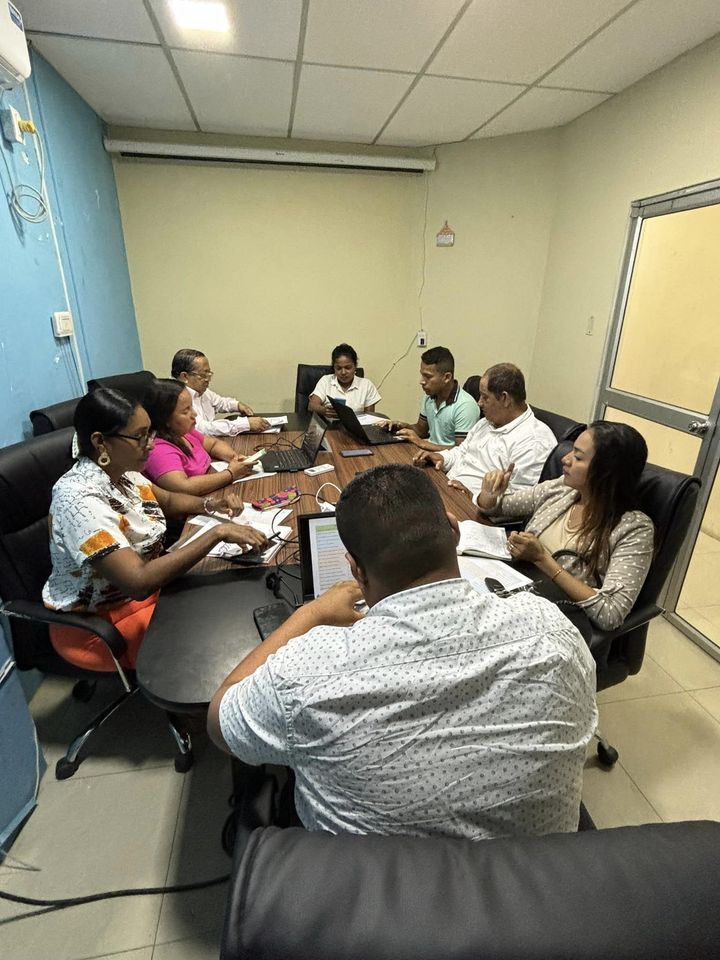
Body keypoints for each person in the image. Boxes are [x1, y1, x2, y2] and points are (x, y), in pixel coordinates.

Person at [208, 464, 597, 841]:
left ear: (356, 570)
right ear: (453, 532)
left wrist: (310, 614)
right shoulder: (555, 631)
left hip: (374, 884)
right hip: (537, 877)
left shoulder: (307, 670)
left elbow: (218, 722)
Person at [43, 388, 267, 672]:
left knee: (238, 600)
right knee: (223, 641)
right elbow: (138, 583)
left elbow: (169, 500)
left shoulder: (123, 472)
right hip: (102, 621)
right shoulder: (78, 500)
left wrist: (213, 505)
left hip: (153, 590)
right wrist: (217, 533)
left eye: (150, 433)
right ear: (101, 442)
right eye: (140, 436)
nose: (151, 444)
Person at [478, 421, 654, 631]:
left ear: (606, 471)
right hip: (515, 592)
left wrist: (542, 559)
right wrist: (490, 493)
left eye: (578, 457)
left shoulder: (634, 529)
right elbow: (498, 507)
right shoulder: (562, 489)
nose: (565, 459)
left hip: (556, 622)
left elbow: (610, 613)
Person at [414, 363, 556, 502]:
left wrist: (473, 497)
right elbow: (462, 452)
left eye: (485, 397)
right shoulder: (486, 422)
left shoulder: (534, 442)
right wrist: (442, 457)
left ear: (505, 398)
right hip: (448, 488)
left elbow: (519, 501)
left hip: (472, 509)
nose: (479, 402)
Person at [142, 379, 255, 495]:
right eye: (186, 411)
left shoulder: (183, 432)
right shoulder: (158, 450)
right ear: (165, 418)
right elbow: (183, 487)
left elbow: (213, 444)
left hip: (214, 488)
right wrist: (231, 473)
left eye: (191, 407)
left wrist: (234, 458)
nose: (194, 414)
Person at [379, 346, 479, 449]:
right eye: (422, 375)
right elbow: (421, 430)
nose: (421, 381)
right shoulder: (430, 396)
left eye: (428, 376)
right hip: (429, 453)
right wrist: (400, 426)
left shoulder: (466, 406)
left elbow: (462, 451)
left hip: (447, 458)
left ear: (447, 377)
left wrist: (422, 443)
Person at [171, 348, 269, 436]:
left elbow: (219, 402)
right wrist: (244, 424)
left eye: (209, 374)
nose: (207, 379)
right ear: (185, 376)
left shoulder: (198, 390)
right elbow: (203, 429)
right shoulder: (176, 397)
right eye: (203, 375)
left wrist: (237, 405)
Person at [308, 343, 381, 418]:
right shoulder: (326, 381)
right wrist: (324, 410)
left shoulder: (366, 385)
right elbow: (311, 406)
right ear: (334, 368)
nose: (343, 372)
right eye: (339, 368)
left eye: (348, 368)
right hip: (330, 424)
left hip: (356, 425)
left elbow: (370, 417)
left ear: (355, 366)